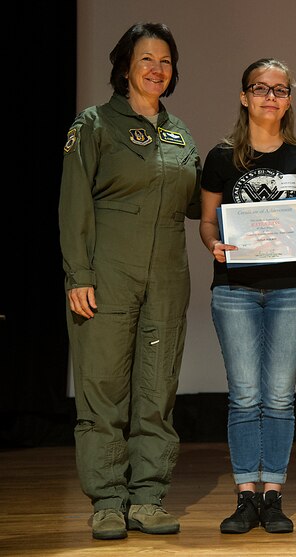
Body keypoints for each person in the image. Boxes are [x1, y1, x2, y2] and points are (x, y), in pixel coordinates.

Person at [59, 22, 200, 540]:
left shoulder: (180, 133)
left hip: (166, 280)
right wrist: (78, 273)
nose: (156, 69)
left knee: (156, 390)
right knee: (103, 392)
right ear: (124, 66)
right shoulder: (94, 125)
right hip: (106, 278)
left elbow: (198, 205)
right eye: (146, 59)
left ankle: (147, 498)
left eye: (165, 60)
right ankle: (107, 501)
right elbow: (73, 204)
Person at [199, 58, 296, 535]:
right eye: (260, 88)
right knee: (244, 395)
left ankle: (273, 494)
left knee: (279, 397)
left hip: (292, 290)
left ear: (289, 98)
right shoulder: (220, 157)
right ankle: (244, 497)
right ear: (244, 96)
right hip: (234, 290)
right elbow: (208, 221)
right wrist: (213, 243)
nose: (270, 97)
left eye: (280, 89)